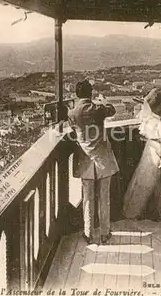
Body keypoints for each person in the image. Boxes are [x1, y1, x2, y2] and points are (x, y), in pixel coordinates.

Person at [68, 80, 119, 244]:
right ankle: (105, 233)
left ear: (77, 94)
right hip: (103, 158)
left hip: (84, 159)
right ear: (90, 93)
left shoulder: (72, 112)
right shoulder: (97, 109)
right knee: (104, 197)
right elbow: (112, 110)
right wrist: (103, 102)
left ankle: (88, 233)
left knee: (87, 198)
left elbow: (73, 131)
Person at [122, 88, 161, 221]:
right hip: (153, 149)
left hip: (152, 150)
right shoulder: (159, 121)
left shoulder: (154, 121)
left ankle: (136, 211)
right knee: (156, 184)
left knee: (145, 182)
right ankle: (159, 212)